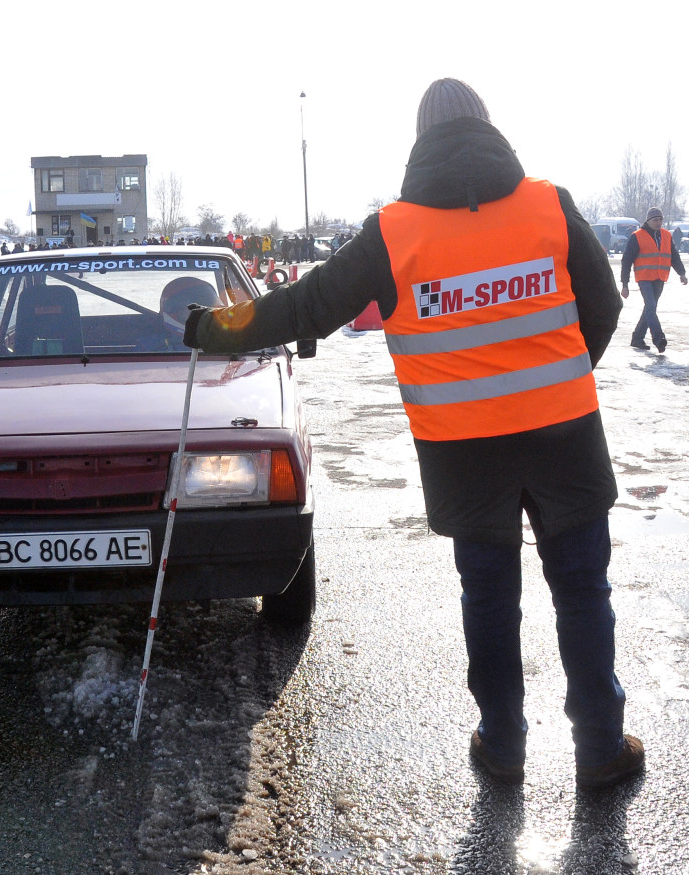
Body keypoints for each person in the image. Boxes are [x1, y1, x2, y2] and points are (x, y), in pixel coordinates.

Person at [184, 78, 642, 789]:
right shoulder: (548, 204)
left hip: (464, 454)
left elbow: (304, 307)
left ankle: (504, 744)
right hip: (567, 440)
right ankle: (602, 749)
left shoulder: (395, 232)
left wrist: (216, 328)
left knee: (489, 600)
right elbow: (605, 304)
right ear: (489, 126)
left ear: (420, 141)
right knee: (583, 592)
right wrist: (562, 381)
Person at [620, 208, 687, 352]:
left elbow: (673, 255)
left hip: (660, 277)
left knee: (650, 308)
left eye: (660, 220)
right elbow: (626, 261)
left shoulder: (666, 235)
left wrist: (682, 273)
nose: (658, 223)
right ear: (648, 221)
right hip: (644, 277)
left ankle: (637, 338)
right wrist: (624, 284)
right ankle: (659, 338)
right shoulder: (637, 236)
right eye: (655, 220)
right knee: (651, 305)